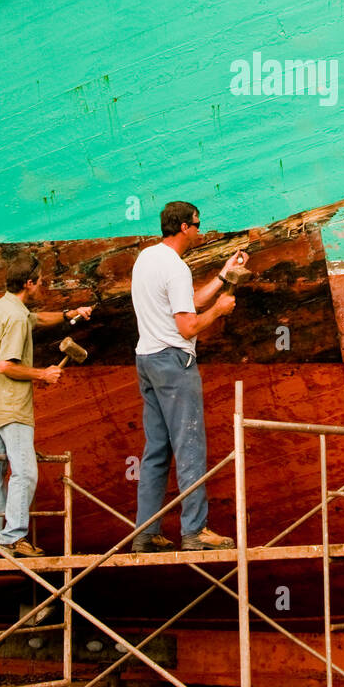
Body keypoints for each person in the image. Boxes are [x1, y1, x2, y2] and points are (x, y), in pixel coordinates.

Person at [131, 200, 247, 553]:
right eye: (197, 224)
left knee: (156, 450)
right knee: (190, 444)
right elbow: (188, 326)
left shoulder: (146, 259)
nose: (200, 230)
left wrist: (223, 275)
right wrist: (220, 309)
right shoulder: (177, 268)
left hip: (146, 360)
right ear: (184, 227)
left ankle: (146, 533)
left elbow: (187, 302)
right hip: (174, 362)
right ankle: (195, 530)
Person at [0, 261, 93, 558]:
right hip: (12, 406)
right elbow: (6, 366)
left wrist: (69, 314)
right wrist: (43, 374)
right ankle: (13, 538)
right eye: (39, 281)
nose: (41, 285)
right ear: (28, 283)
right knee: (24, 472)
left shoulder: (2, 307)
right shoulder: (17, 318)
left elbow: (34, 319)